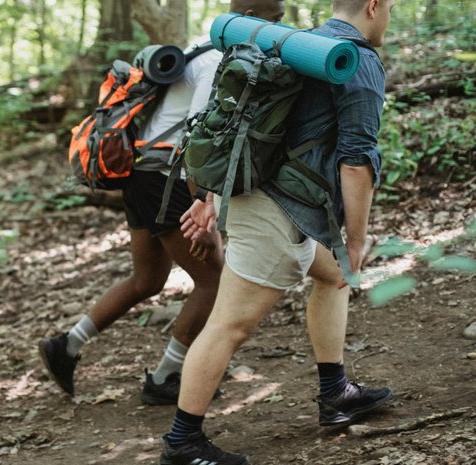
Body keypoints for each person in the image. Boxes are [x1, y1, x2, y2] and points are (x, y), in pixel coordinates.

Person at [160, 0, 396, 463]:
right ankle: (182, 443)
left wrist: (211, 197)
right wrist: (354, 240)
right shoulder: (356, 61)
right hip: (278, 213)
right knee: (229, 324)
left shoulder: (299, 45)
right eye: (390, 8)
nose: (389, 17)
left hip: (261, 197)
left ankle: (336, 393)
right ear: (373, 6)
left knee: (333, 276)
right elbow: (356, 162)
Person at [39, 0, 287, 406]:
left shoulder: (202, 45)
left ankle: (66, 345)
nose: (281, 30)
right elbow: (196, 140)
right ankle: (166, 376)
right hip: (164, 180)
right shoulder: (218, 61)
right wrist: (203, 212)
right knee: (214, 281)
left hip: (142, 174)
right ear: (252, 20)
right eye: (276, 21)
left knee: (148, 279)